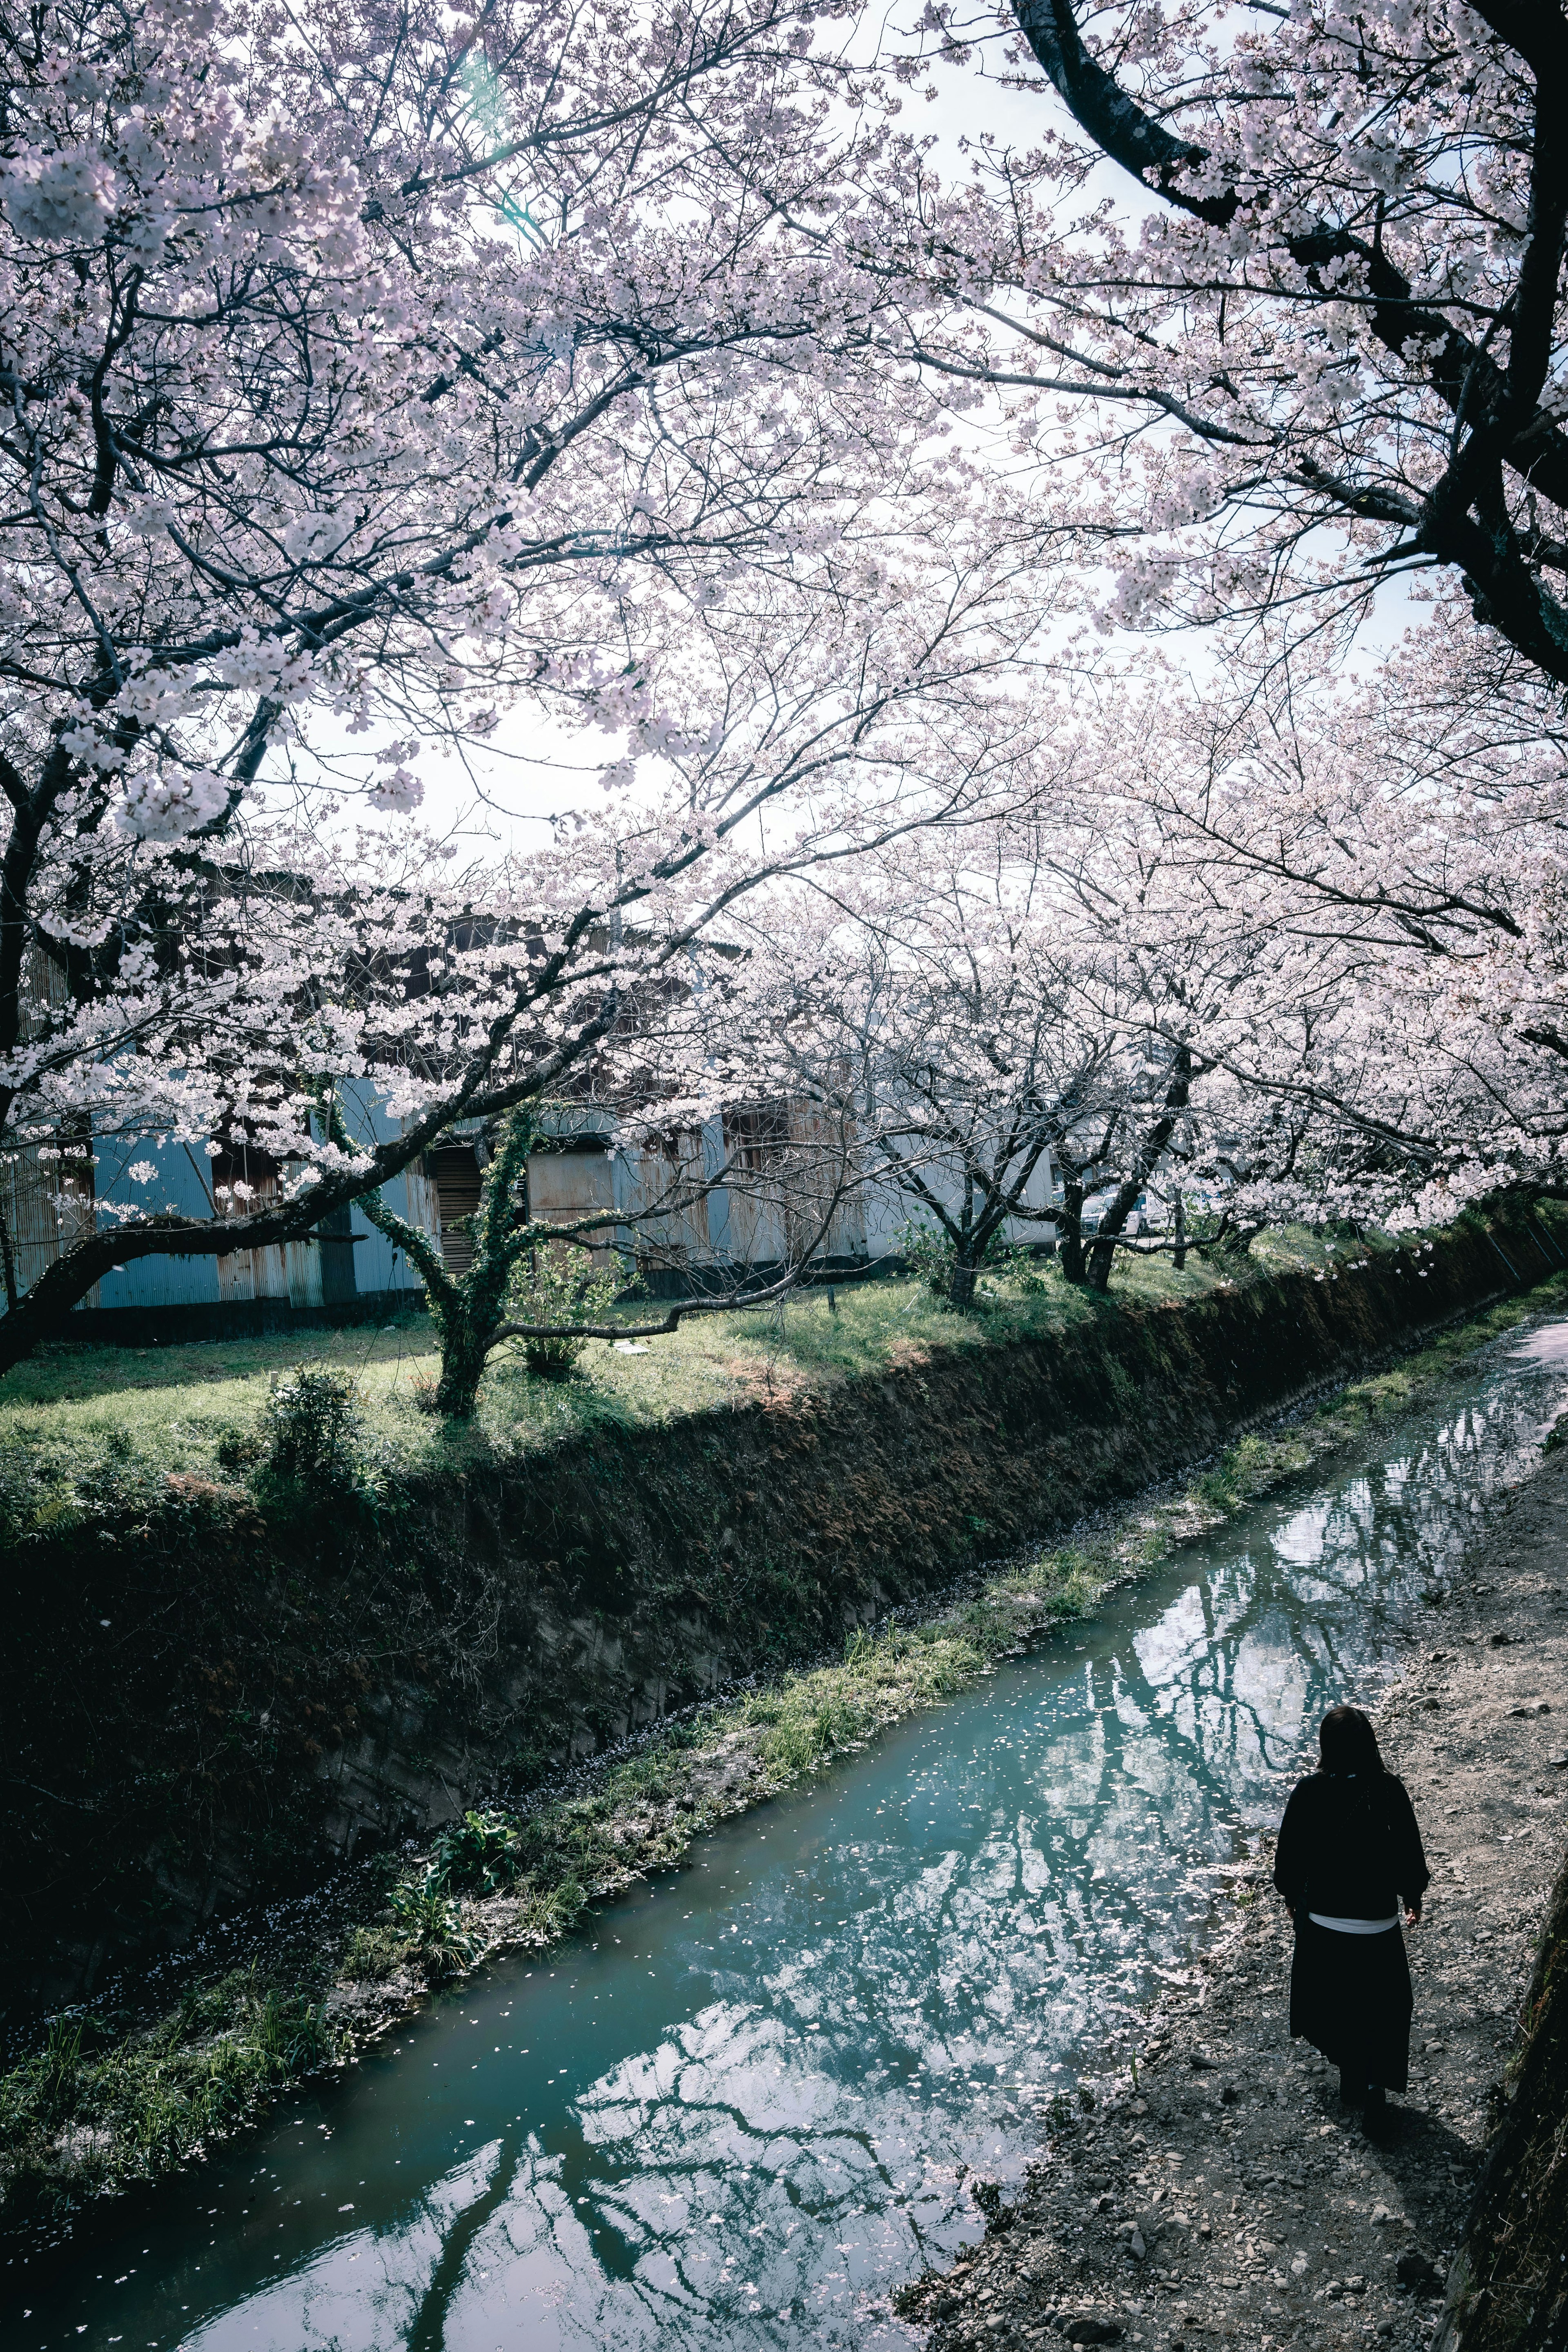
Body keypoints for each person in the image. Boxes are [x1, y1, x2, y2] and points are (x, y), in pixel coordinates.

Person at [1273, 1704, 1430, 2139]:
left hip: (1323, 1922)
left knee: (1330, 2002)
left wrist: (1291, 1895)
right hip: (1377, 1923)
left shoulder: (1308, 1791)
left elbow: (1290, 1857)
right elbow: (1408, 1852)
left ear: (1327, 1746)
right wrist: (1412, 1894)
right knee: (1383, 2006)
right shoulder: (1388, 1790)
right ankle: (1373, 2088)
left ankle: (1350, 2073)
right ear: (1370, 1745)